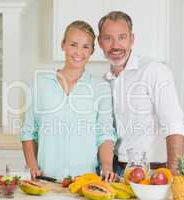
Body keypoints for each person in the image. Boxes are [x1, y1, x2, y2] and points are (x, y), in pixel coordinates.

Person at [20, 20, 117, 181]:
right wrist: (32, 166)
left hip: (84, 181)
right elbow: (29, 131)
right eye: (73, 44)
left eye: (86, 46)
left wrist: (107, 168)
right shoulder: (40, 83)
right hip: (46, 180)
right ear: (63, 45)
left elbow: (105, 133)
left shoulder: (100, 87)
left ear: (92, 50)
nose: (79, 52)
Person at [98, 11, 184, 175]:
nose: (115, 45)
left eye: (122, 37)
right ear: (100, 42)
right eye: (108, 38)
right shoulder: (104, 81)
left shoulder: (154, 71)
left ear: (132, 39)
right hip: (116, 172)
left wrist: (176, 176)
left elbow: (174, 124)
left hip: (152, 171)